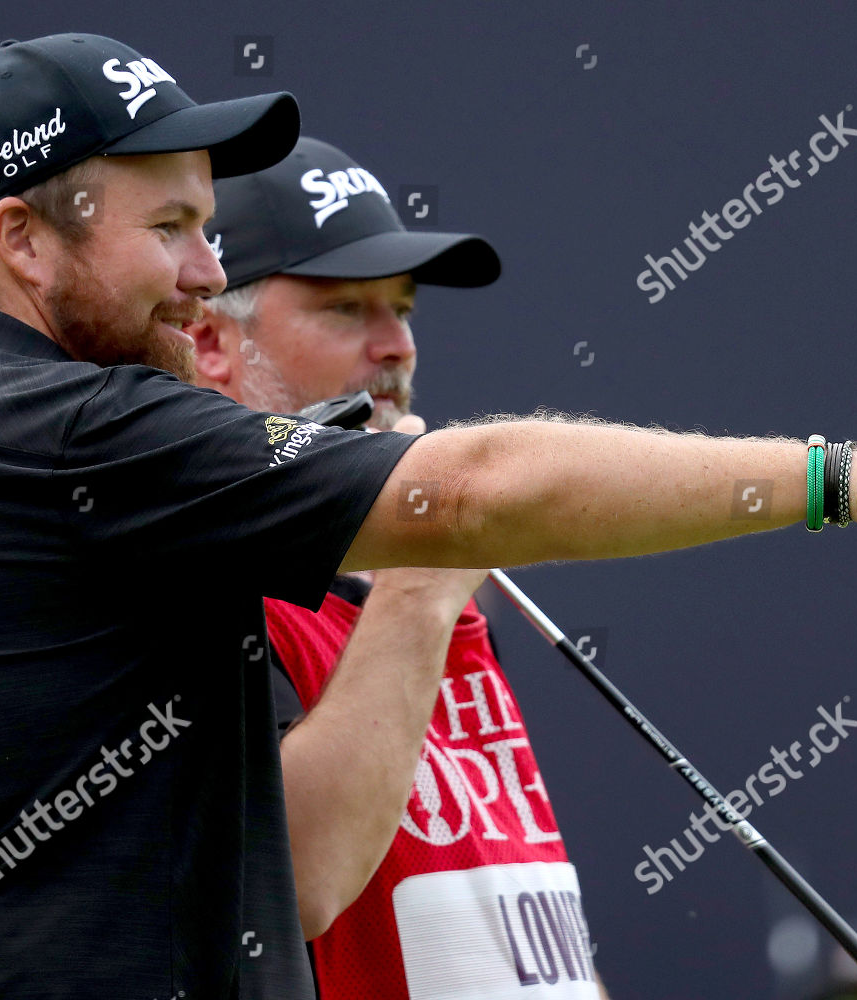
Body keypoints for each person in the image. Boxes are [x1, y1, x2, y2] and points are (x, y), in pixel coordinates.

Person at [0, 29, 857, 1000]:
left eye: (211, 229)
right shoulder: (71, 429)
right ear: (26, 238)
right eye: (168, 230)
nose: (202, 273)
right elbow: (466, 493)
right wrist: (845, 480)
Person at [190, 136, 609, 999]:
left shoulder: (416, 591)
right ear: (210, 344)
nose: (396, 347)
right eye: (347, 311)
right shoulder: (210, 580)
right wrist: (426, 568)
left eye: (404, 308)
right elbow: (299, 879)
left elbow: (513, 894)